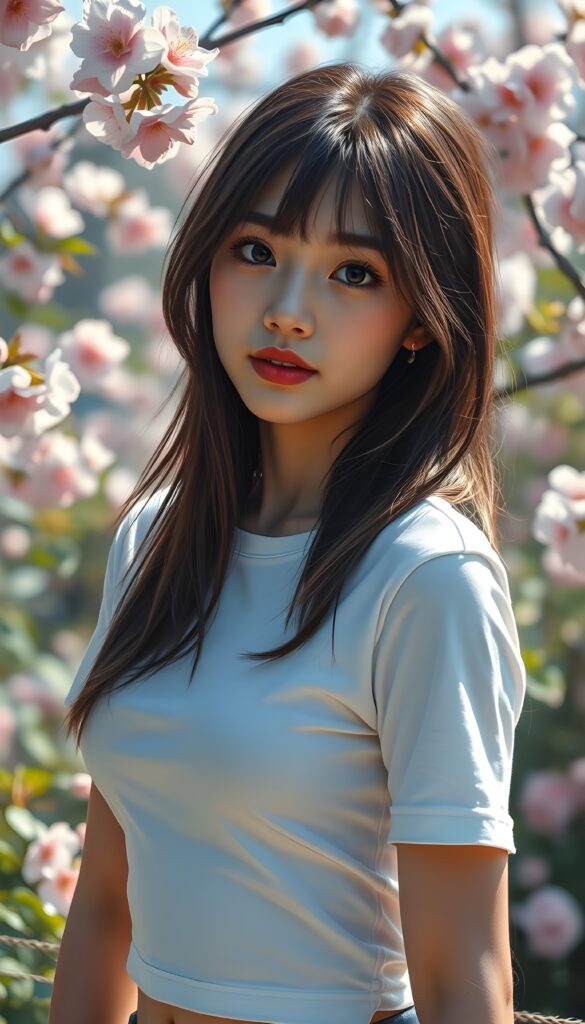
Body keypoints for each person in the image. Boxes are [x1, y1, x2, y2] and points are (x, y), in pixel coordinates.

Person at [52, 62, 527, 1024]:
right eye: (257, 249)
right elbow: (106, 905)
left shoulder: (424, 578)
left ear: (419, 323)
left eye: (356, 273)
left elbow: (459, 969)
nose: (287, 310)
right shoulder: (155, 538)